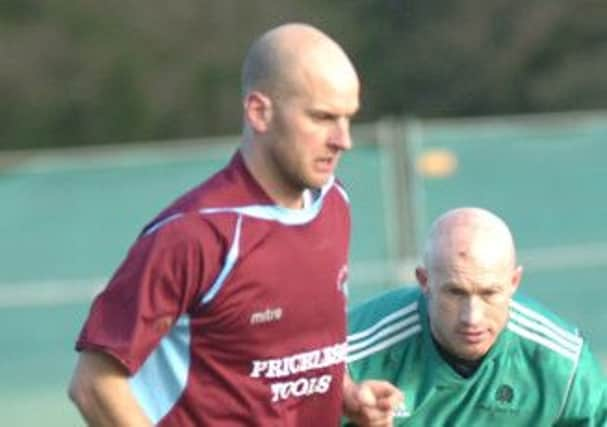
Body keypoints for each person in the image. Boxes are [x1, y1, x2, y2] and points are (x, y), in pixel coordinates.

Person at [68, 23, 401, 426]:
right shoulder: (194, 233)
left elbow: (303, 351)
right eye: (322, 117)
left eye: (348, 118)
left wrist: (346, 392)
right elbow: (94, 385)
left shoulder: (335, 202)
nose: (343, 139)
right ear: (259, 112)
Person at [345, 207, 607, 426]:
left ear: (514, 281)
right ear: (424, 281)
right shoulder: (351, 355)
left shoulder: (563, 366)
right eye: (455, 293)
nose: (472, 318)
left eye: (489, 293)